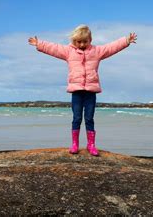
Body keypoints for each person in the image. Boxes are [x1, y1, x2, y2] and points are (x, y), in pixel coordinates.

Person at [28, 25, 137, 156]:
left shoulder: (97, 51)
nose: (82, 44)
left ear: (90, 39)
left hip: (90, 92)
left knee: (89, 118)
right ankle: (75, 144)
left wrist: (126, 41)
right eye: (79, 42)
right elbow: (54, 48)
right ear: (74, 41)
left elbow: (111, 47)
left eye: (85, 41)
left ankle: (91, 145)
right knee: (77, 118)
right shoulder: (68, 51)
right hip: (77, 92)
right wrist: (39, 43)